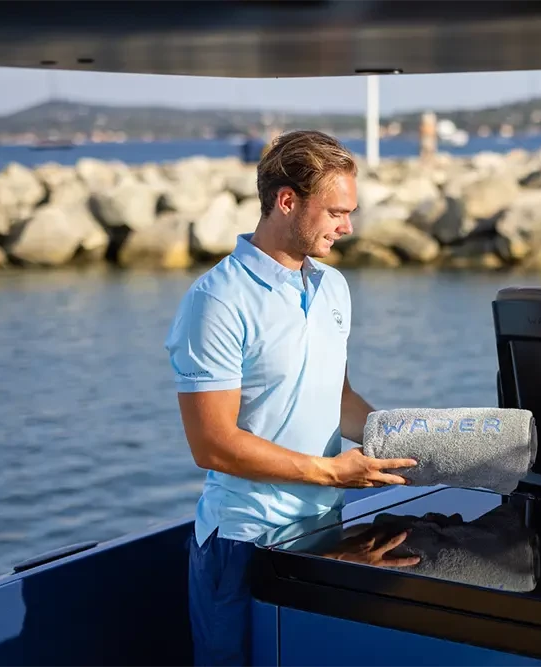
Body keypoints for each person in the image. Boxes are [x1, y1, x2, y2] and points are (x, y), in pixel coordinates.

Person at [164, 130, 418, 666]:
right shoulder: (216, 301)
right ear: (287, 201)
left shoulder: (334, 287)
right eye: (335, 213)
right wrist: (332, 472)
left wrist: (416, 442)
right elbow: (213, 445)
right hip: (244, 544)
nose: (347, 228)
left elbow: (340, 398)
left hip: (326, 532)